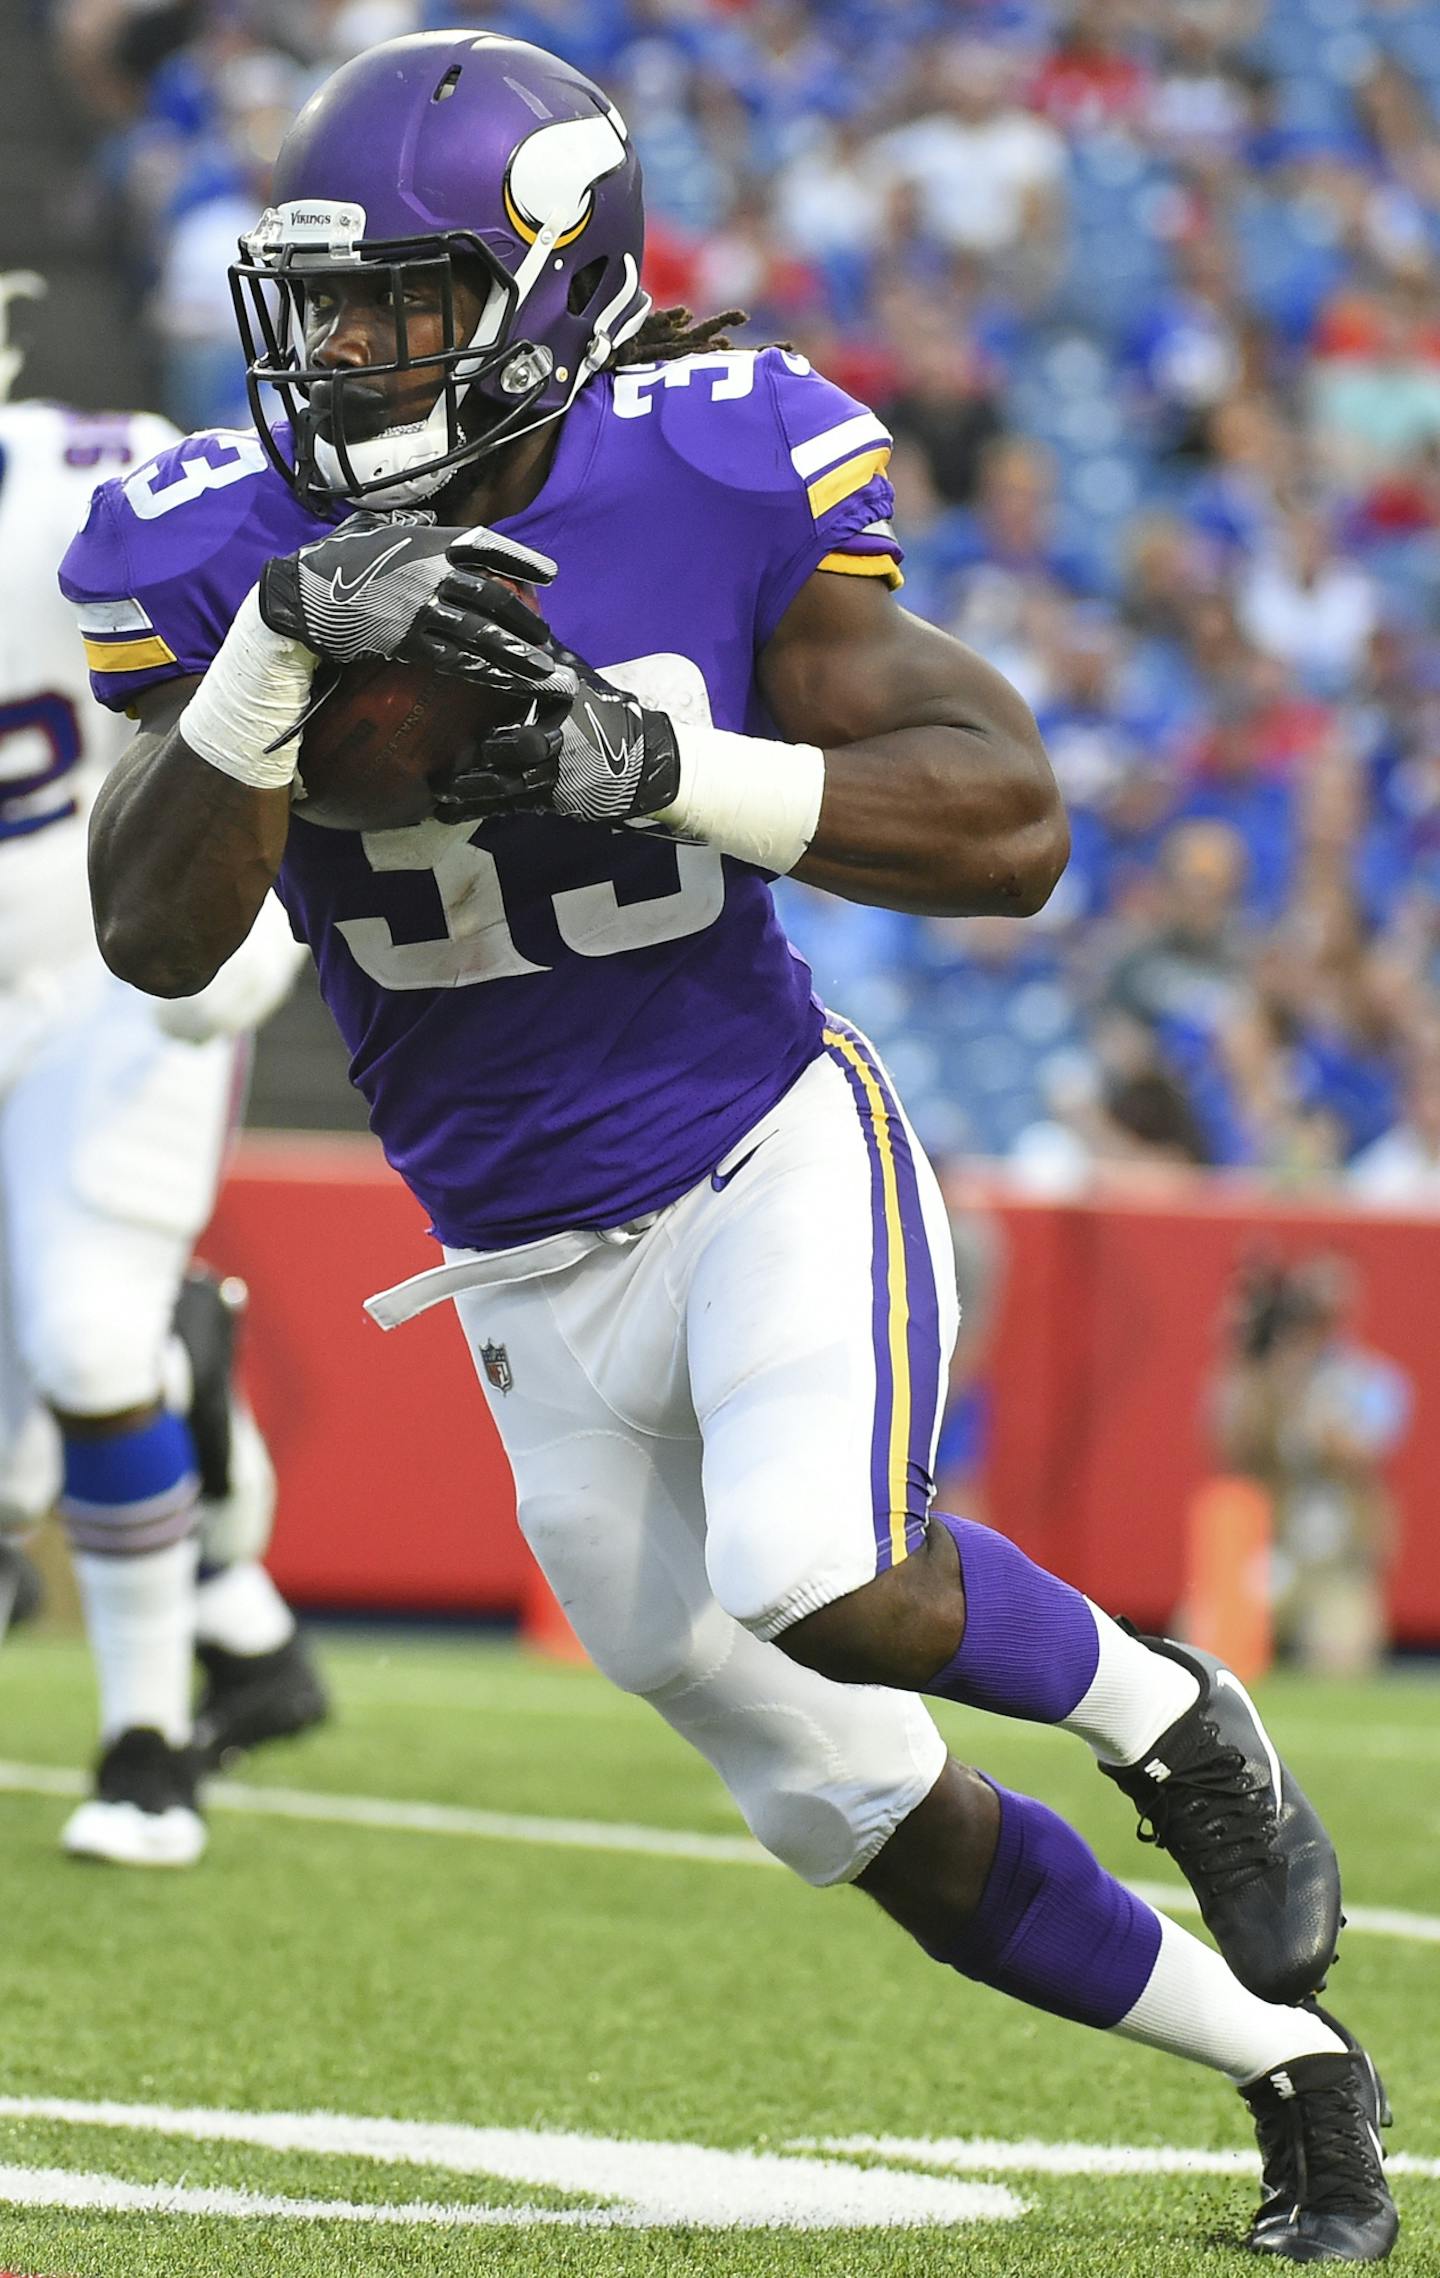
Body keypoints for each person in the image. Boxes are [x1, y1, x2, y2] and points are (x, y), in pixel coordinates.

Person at [75, 31, 1393, 2259]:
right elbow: (146, 925)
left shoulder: (713, 465)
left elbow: (1010, 826)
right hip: (514, 1269)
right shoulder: (219, 548)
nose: (355, 357)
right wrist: (269, 670)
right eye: (328, 309)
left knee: (816, 1560)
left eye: (410, 302)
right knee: (829, 1789)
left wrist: (647, 759)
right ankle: (1294, 2070)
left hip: (761, 1151)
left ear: (553, 283)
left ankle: (1184, 1718)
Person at [0, 374, 327, 1868]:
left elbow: (303, 616)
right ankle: (243, 1620)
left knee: (81, 1337)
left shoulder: (91, 486)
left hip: (112, 963)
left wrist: (269, 890)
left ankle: (150, 1737)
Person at [1215, 1254, 1410, 1679]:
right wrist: (1251, 1367)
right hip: (1267, 1551)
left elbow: (1362, 1454)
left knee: (1340, 1660)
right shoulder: (1257, 1377)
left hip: (1337, 1561)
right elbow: (1231, 1452)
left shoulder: (1368, 1377)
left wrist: (1303, 1397)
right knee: (1207, 1648)